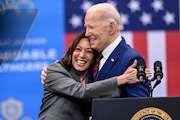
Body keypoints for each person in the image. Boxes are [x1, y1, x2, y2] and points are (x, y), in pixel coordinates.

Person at [38, 31, 148, 120]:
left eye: (89, 51)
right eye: (78, 49)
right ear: (71, 52)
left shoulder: (93, 80)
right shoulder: (54, 70)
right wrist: (122, 79)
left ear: (95, 58)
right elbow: (80, 91)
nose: (82, 55)